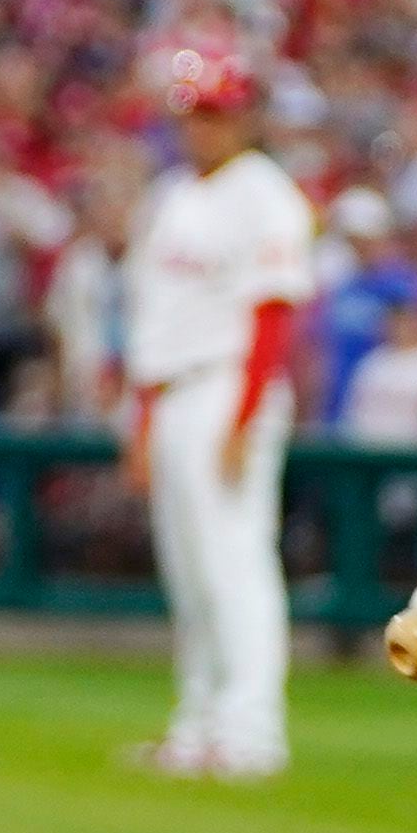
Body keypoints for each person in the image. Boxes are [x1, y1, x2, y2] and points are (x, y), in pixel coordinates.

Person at [121, 47, 313, 780]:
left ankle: (253, 732)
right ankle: (198, 726)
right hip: (172, 390)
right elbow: (152, 322)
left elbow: (272, 313)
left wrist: (242, 417)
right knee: (189, 568)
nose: (201, 127)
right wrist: (142, 424)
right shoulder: (169, 196)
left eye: (214, 113)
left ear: (241, 117)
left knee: (236, 560)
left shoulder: (264, 193)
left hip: (228, 384)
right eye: (192, 113)